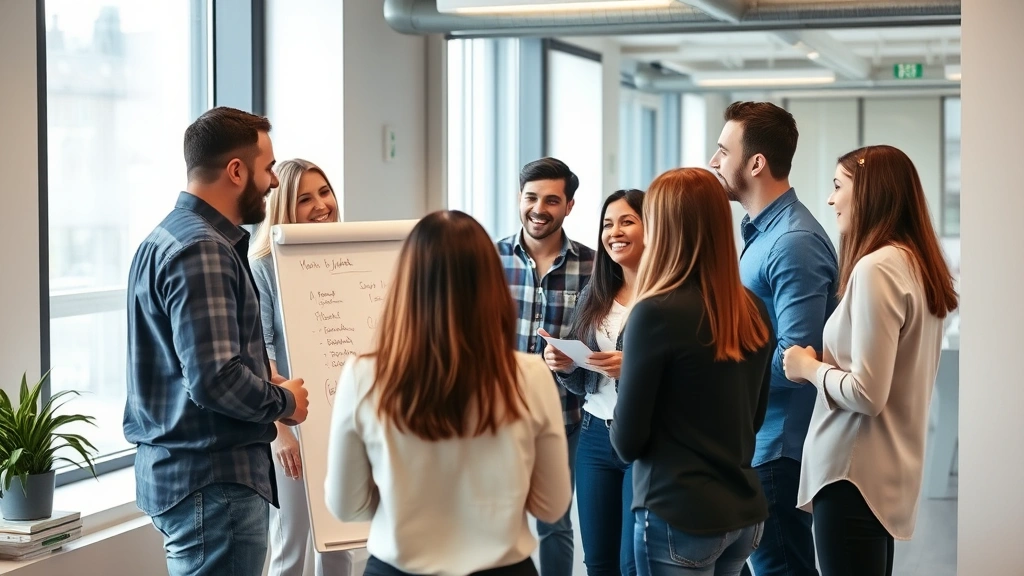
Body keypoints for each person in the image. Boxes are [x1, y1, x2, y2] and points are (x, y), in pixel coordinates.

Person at [323, 210, 572, 576]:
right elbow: (552, 507)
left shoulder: (364, 376)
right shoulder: (531, 375)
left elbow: (346, 506)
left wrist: (397, 500)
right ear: (492, 286)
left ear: (406, 285)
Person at [124, 106, 310, 576]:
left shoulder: (164, 238)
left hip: (184, 478)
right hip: (214, 482)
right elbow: (213, 380)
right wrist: (282, 401)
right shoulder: (203, 249)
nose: (272, 182)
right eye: (268, 168)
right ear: (236, 171)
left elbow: (190, 365)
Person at [782, 145, 958, 576]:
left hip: (851, 474)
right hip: (885, 472)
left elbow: (866, 393)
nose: (830, 199)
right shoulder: (917, 264)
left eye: (838, 186)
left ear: (871, 194)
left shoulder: (876, 268)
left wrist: (807, 368)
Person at [610, 168, 774, 576]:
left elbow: (627, 443)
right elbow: (753, 418)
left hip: (678, 513)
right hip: (742, 513)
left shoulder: (654, 313)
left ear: (663, 227)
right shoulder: (750, 307)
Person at [710, 101, 837, 576]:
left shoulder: (792, 241)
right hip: (754, 441)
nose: (714, 161)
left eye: (723, 151)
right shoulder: (761, 234)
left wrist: (715, 368)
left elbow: (796, 359)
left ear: (756, 163)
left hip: (776, 448)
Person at [249, 158, 359, 576]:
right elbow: (262, 354)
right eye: (304, 198)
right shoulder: (261, 267)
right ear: (282, 208)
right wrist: (279, 432)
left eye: (324, 192)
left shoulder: (350, 255)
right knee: (290, 546)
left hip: (343, 418)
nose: (321, 205)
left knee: (339, 543)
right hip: (289, 424)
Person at [497, 157, 596, 576]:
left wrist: (573, 360)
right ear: (519, 199)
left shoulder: (594, 266)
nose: (539, 209)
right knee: (498, 516)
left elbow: (604, 343)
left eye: (551, 200)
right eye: (531, 198)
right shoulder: (490, 258)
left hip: (565, 416)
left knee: (554, 523)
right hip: (498, 415)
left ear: (569, 206)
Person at [541, 189, 645, 576]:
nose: (614, 232)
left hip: (643, 440)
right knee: (598, 563)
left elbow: (685, 372)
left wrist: (634, 368)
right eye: (607, 224)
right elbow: (586, 375)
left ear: (652, 228)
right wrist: (565, 364)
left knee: (632, 561)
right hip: (594, 437)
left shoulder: (667, 295)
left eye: (626, 221)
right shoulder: (596, 292)